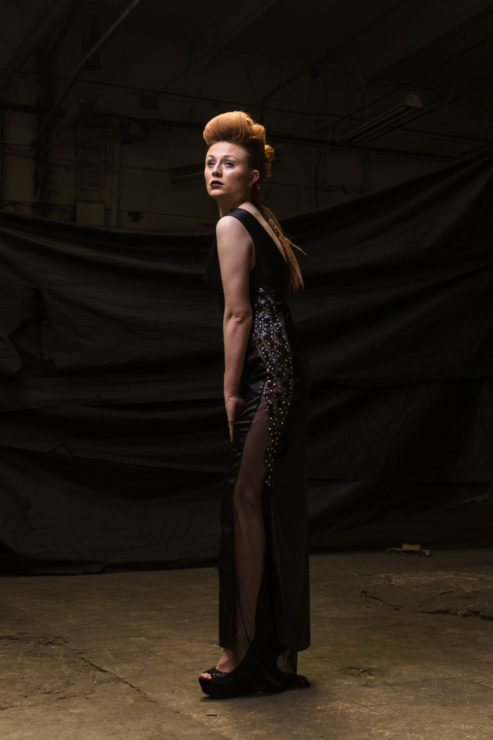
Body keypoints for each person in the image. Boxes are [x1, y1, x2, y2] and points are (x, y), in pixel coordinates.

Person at [199, 111, 310, 699]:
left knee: (243, 501)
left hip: (267, 372)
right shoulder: (262, 220)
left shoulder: (232, 224)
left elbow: (238, 313)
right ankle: (263, 651)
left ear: (254, 175)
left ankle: (240, 655)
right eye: (210, 162)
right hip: (286, 368)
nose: (216, 171)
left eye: (230, 163)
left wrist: (230, 388)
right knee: (261, 501)